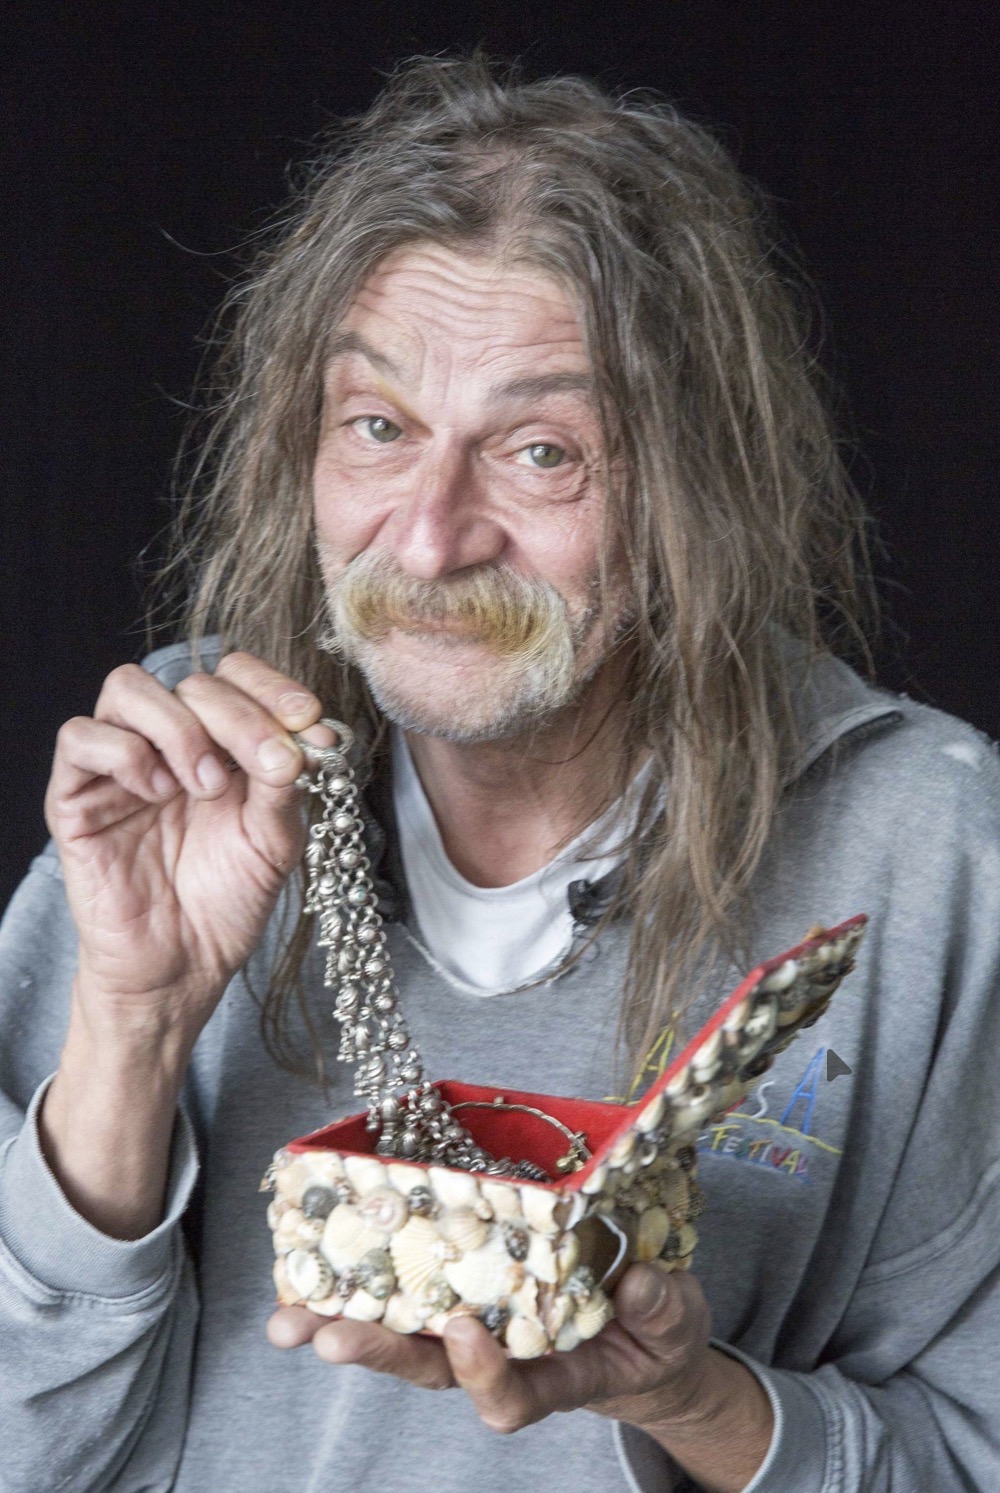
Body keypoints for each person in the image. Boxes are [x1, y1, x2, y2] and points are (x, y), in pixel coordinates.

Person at [1, 54, 998, 1493]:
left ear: (695, 489)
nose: (428, 540)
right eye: (380, 427)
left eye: (539, 452)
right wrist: (134, 1027)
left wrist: (693, 1400)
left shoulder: (925, 849)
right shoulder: (186, 777)